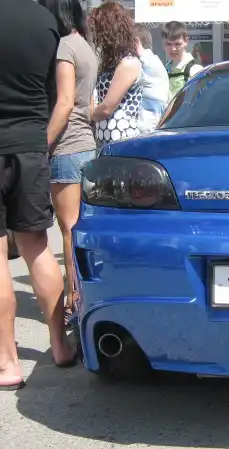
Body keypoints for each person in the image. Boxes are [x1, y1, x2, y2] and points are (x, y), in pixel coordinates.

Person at [0, 0, 78, 391]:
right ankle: (60, 346)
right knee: (37, 246)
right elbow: (56, 91)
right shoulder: (45, 21)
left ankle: (7, 362)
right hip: (32, 146)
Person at [40, 0, 98, 327]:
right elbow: (88, 104)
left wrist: (42, 145)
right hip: (86, 144)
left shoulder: (64, 47)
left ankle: (73, 302)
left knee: (69, 230)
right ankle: (83, 297)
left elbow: (64, 103)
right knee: (80, 227)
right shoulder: (86, 47)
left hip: (66, 147)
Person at [88, 1, 144, 149]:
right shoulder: (112, 63)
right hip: (106, 140)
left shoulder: (128, 63)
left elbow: (107, 108)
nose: (96, 37)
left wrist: (88, 113)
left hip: (123, 142)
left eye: (99, 30)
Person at [133, 24, 169, 134]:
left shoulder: (145, 61)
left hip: (148, 127)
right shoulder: (152, 61)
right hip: (150, 124)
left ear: (136, 43)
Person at [162, 21, 203, 100]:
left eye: (177, 44)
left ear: (186, 41)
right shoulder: (165, 68)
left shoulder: (195, 70)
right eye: (168, 44)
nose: (173, 49)